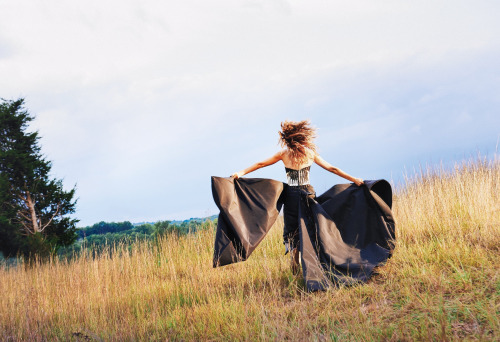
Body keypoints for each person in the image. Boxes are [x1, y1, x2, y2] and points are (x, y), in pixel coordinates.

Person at [231, 120, 364, 274]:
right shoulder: (309, 153)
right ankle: (314, 264)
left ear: (287, 139)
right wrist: (354, 179)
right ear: (302, 137)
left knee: (293, 231)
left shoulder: (283, 154)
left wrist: (241, 173)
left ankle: (296, 265)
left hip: (292, 196)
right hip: (307, 193)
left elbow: (261, 164)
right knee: (310, 227)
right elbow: (332, 169)